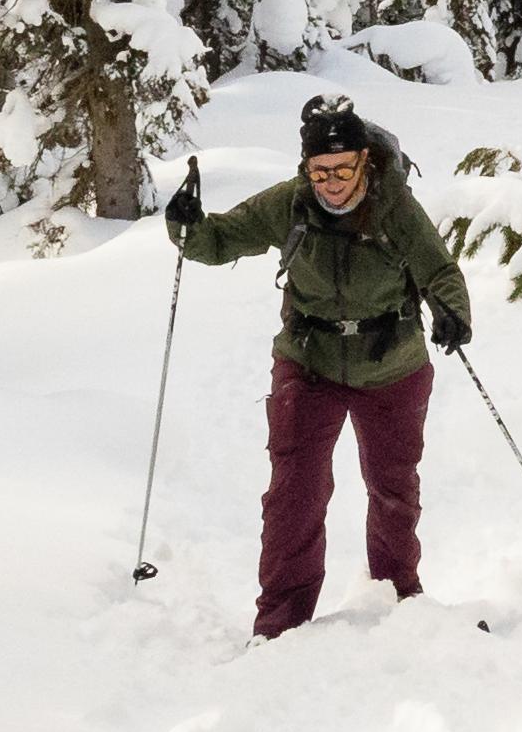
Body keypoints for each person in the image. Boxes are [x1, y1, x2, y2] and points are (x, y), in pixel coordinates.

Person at [167, 95, 476, 642]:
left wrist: (453, 312)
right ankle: (281, 626)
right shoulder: (290, 203)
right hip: (308, 362)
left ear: (365, 162)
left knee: (393, 488)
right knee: (294, 492)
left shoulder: (394, 206)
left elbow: (440, 270)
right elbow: (216, 240)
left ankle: (397, 598)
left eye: (342, 169)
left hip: (393, 365)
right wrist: (186, 226)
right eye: (319, 171)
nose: (331, 182)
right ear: (306, 169)